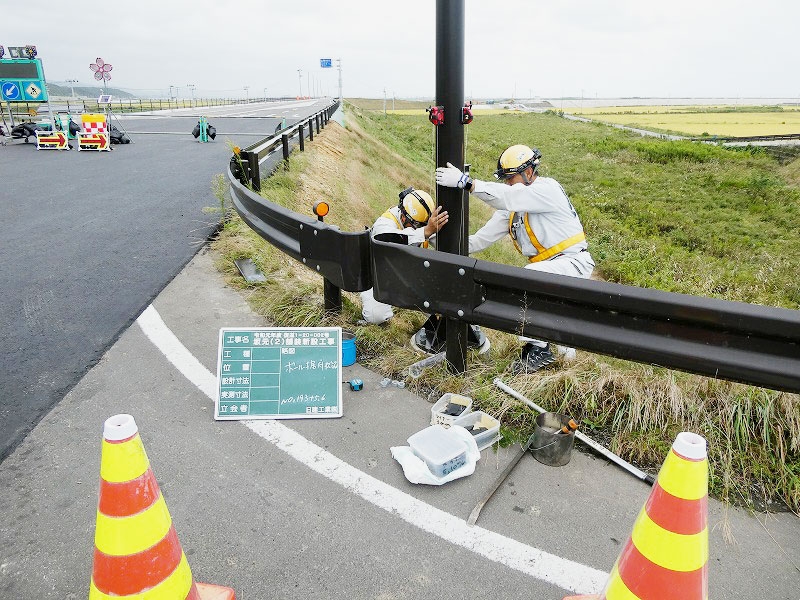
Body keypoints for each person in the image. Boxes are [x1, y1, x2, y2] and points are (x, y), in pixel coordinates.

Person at [435, 145, 594, 373]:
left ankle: (539, 351)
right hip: (550, 268)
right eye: (505, 179)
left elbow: (509, 196)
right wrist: (432, 237)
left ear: (529, 172)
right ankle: (560, 370)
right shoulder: (512, 209)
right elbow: (478, 241)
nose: (508, 183)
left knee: (525, 278)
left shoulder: (547, 189)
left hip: (573, 263)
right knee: (561, 340)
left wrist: (466, 182)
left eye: (511, 177)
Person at [360, 187, 449, 324]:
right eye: (417, 225)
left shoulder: (422, 224)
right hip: (379, 276)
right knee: (375, 317)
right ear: (403, 216)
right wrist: (425, 231)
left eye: (425, 224)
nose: (420, 228)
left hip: (408, 276)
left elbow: (441, 241)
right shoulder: (385, 223)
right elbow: (386, 238)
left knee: (444, 309)